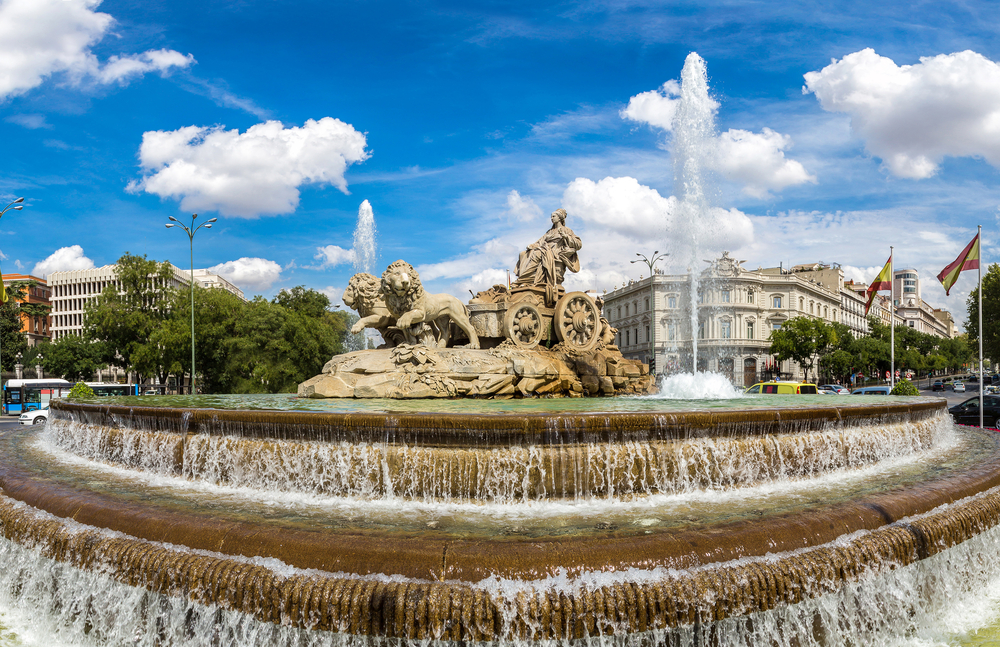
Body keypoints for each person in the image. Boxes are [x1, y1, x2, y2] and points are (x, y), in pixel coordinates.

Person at [513, 209, 582, 289]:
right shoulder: (549, 232)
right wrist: (532, 245)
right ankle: (525, 281)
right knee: (523, 254)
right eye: (551, 217)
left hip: (555, 252)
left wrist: (566, 236)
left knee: (537, 254)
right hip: (545, 249)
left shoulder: (567, 230)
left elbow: (578, 244)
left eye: (553, 216)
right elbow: (540, 241)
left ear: (559, 218)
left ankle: (522, 280)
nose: (551, 218)